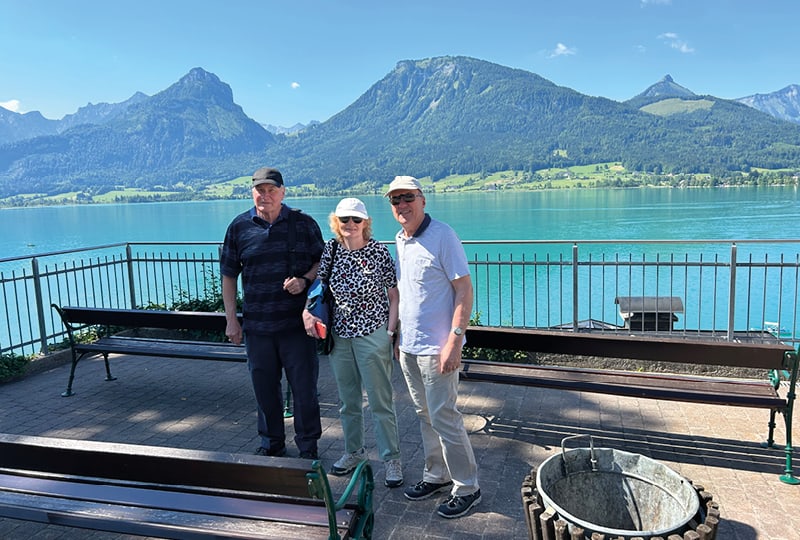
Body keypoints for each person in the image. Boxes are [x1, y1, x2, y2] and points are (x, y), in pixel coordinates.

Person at [386, 175, 481, 519]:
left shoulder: (443, 235)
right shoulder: (399, 240)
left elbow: (464, 291)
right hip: (409, 347)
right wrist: (397, 337)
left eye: (407, 197)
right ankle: (436, 475)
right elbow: (406, 294)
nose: (402, 205)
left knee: (445, 417)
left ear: (422, 199)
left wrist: (455, 339)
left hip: (438, 348)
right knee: (425, 415)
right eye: (395, 200)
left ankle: (468, 486)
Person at [220, 166, 324, 459]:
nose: (265, 195)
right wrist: (231, 321)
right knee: (264, 391)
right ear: (252, 192)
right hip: (257, 327)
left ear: (283, 192)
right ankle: (271, 444)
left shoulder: (304, 224)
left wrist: (304, 279)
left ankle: (308, 448)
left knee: (304, 391)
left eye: (271, 190)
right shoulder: (239, 227)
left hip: (297, 327)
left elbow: (322, 264)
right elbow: (229, 275)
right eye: (260, 190)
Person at [303, 197, 404, 488]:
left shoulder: (378, 252)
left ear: (365, 223)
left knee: (380, 401)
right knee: (348, 402)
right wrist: (307, 312)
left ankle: (391, 459)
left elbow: (393, 294)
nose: (350, 225)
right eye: (345, 219)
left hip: (372, 334)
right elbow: (319, 288)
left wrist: (389, 331)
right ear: (337, 222)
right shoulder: (331, 250)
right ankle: (354, 452)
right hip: (340, 337)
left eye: (356, 220)